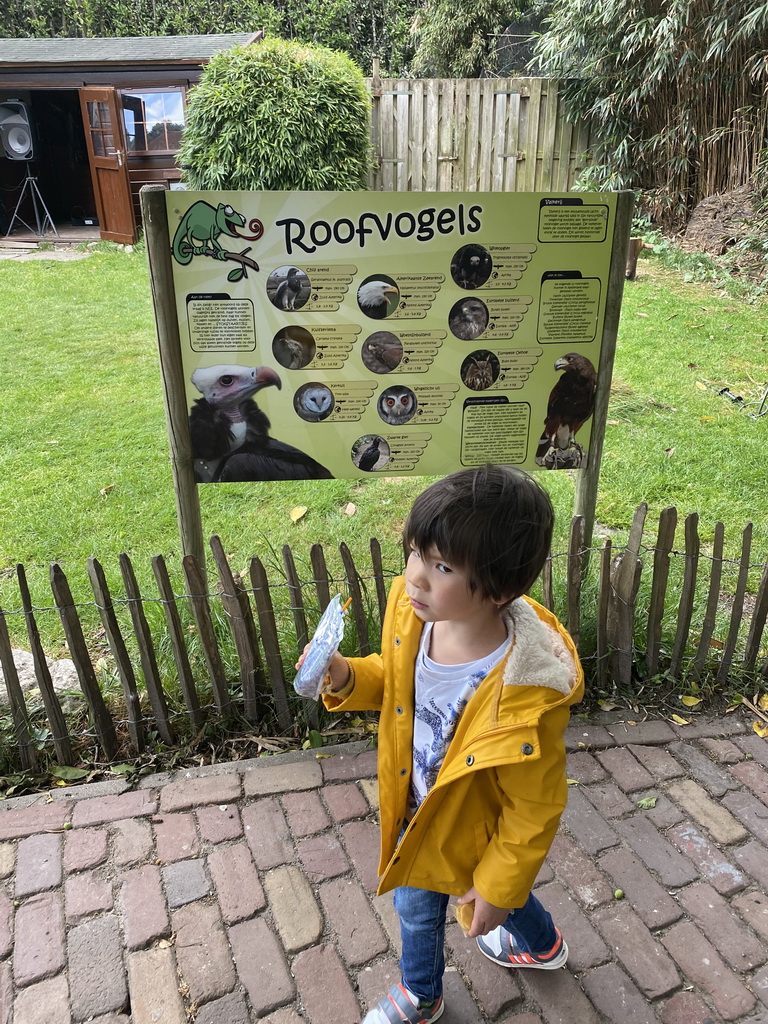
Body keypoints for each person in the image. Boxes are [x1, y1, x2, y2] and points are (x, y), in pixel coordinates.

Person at [303, 465, 584, 1024]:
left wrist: (497, 886)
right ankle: (543, 945)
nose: (415, 578)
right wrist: (346, 676)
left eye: (442, 566)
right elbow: (397, 679)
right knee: (487, 890)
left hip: (466, 821)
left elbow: (535, 806)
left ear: (502, 588)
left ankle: (420, 994)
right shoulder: (415, 615)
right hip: (417, 800)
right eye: (414, 553)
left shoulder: (525, 692)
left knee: (419, 904)